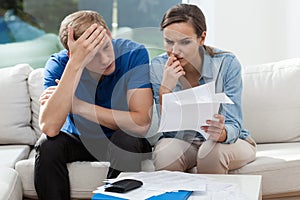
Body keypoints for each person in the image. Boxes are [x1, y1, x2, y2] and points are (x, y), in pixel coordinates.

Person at [34, 10, 153, 200]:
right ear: (72, 54)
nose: (106, 59)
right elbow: (49, 127)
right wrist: (75, 64)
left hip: (120, 138)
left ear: (110, 35)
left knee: (127, 139)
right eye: (93, 55)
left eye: (106, 47)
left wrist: (78, 105)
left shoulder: (133, 54)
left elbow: (140, 123)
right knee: (48, 145)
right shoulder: (59, 64)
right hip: (78, 140)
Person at [150, 4, 256, 174]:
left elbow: (234, 124)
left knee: (210, 151)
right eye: (169, 42)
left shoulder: (226, 64)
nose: (174, 51)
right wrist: (165, 90)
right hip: (184, 142)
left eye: (185, 42)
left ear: (202, 38)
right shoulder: (158, 66)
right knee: (165, 152)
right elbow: (167, 130)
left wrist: (220, 133)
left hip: (227, 142)